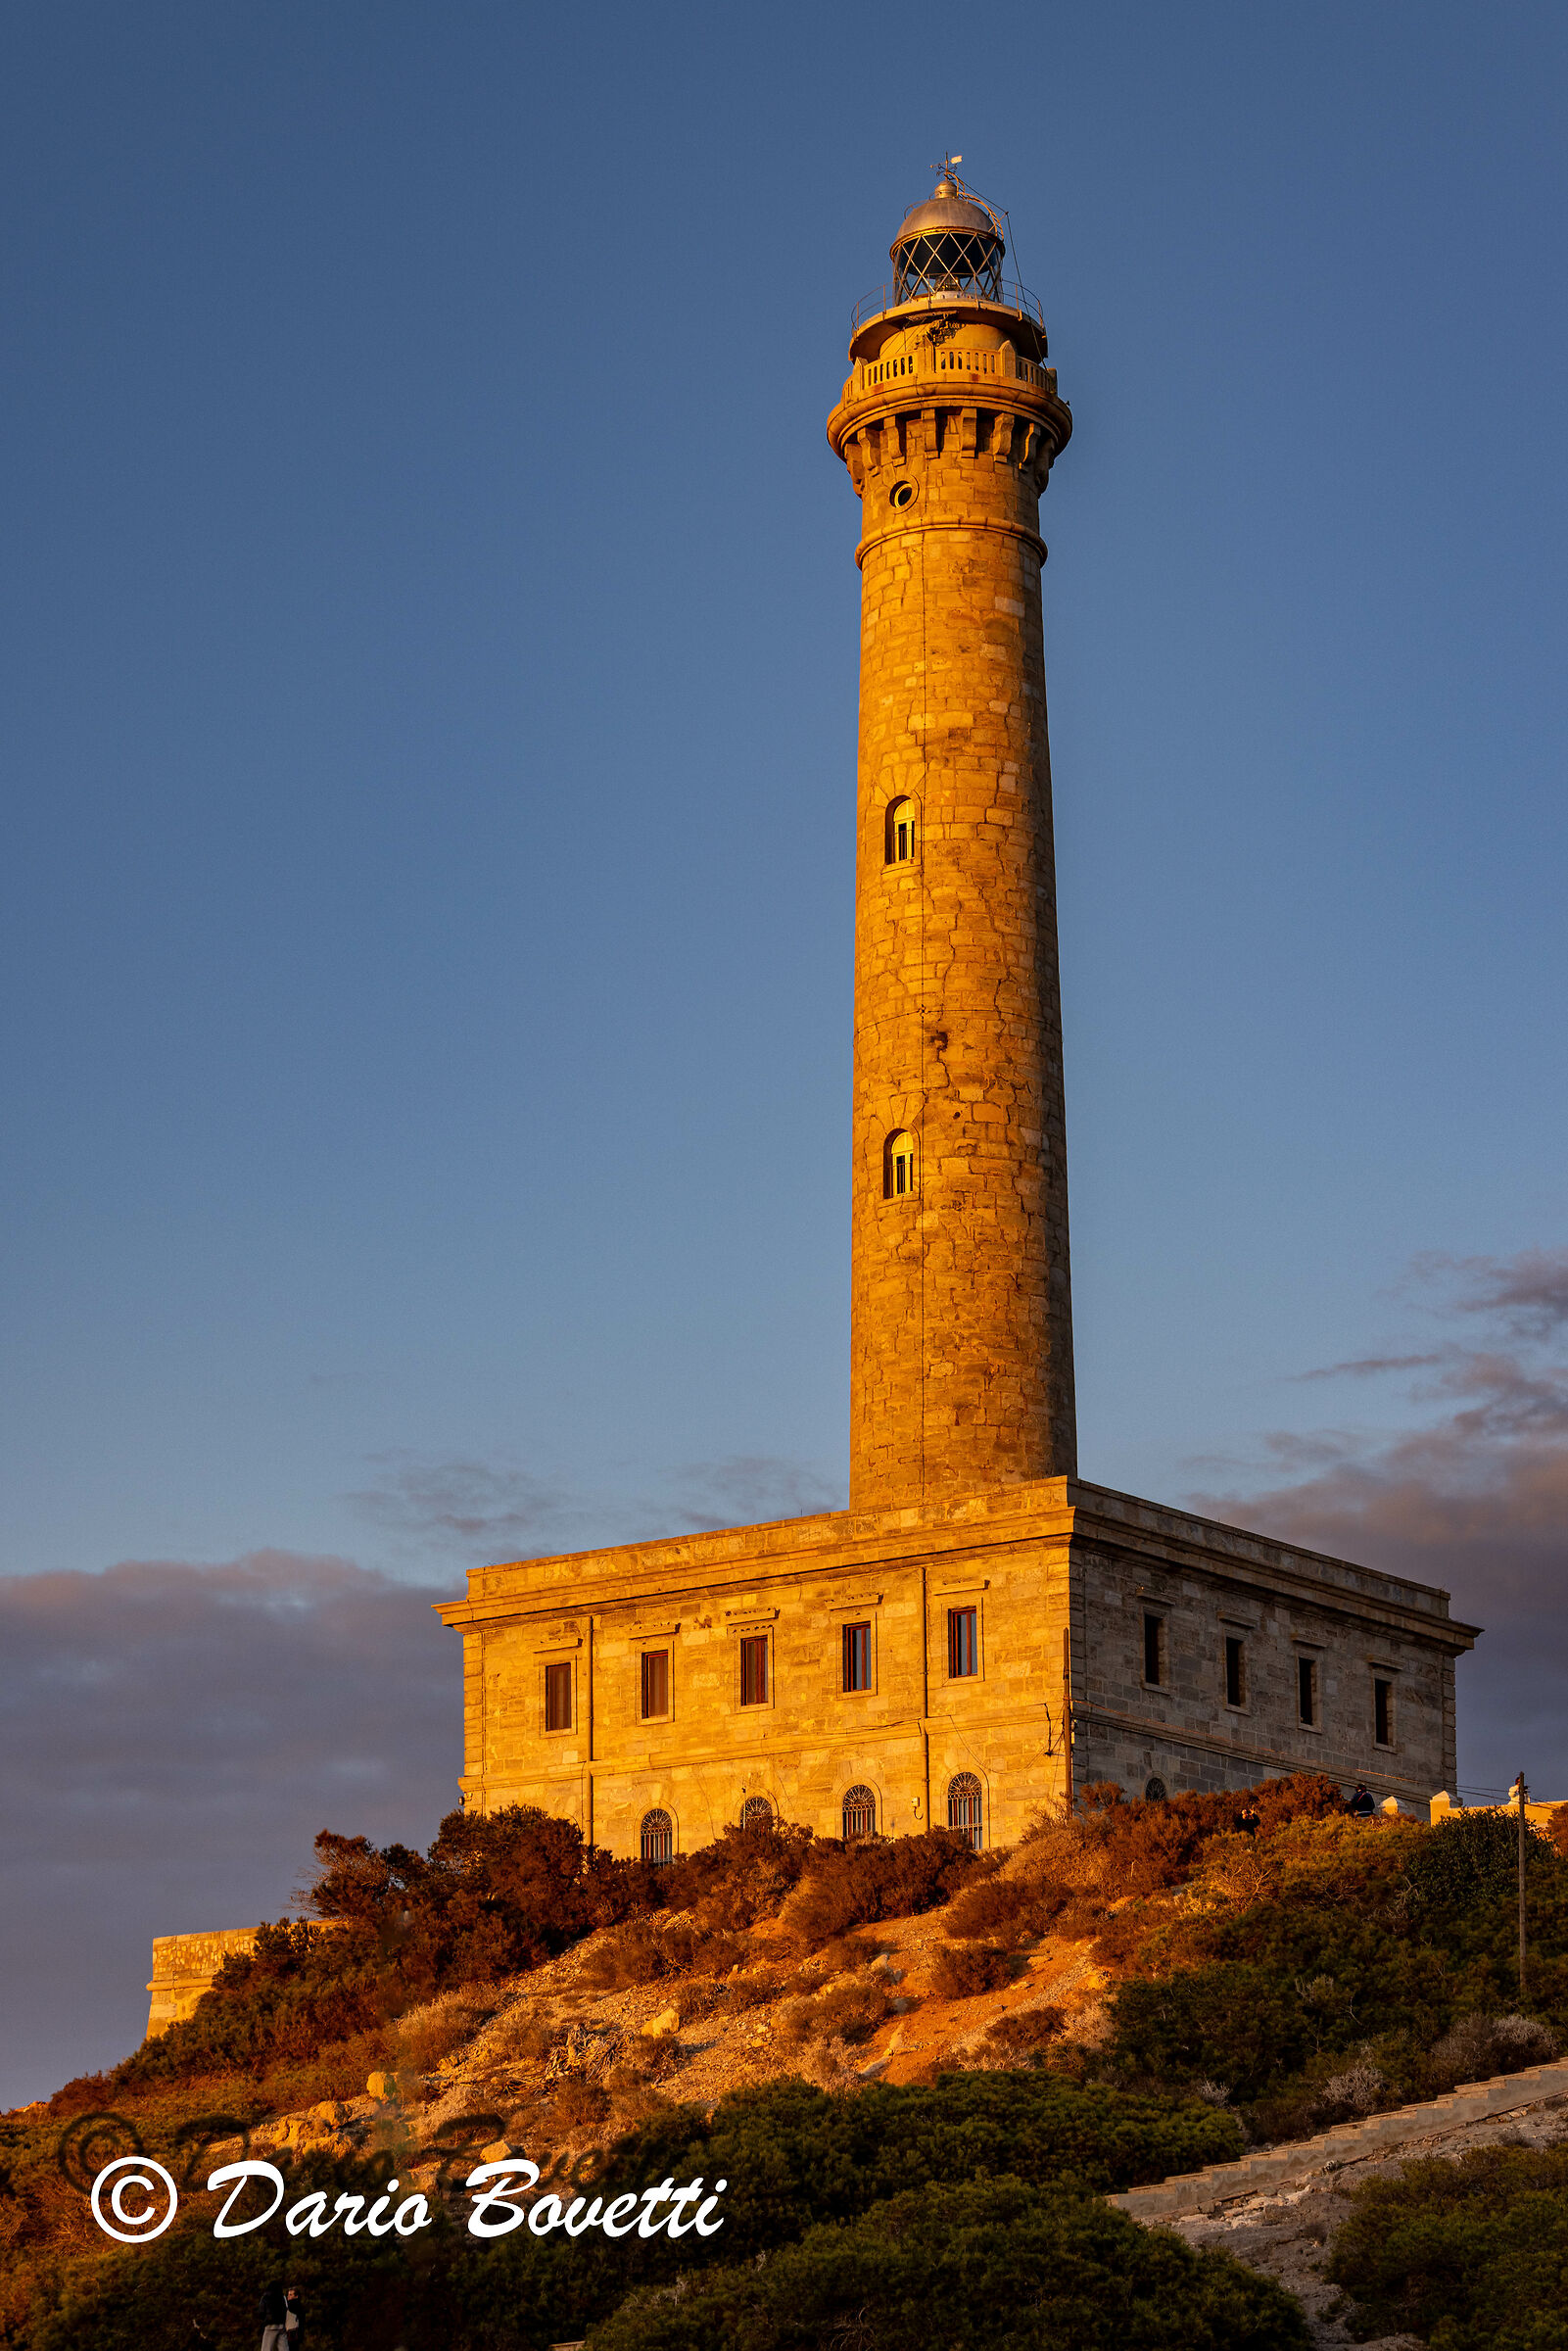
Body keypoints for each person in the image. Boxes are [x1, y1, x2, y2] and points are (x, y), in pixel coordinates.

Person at [258, 2279, 288, 2351]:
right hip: (281, 2326)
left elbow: (261, 2312)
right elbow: (286, 2309)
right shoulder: (283, 2297)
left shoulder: (265, 2297)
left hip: (270, 2326)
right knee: (284, 2348)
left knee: (266, 2349)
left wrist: (264, 2320)